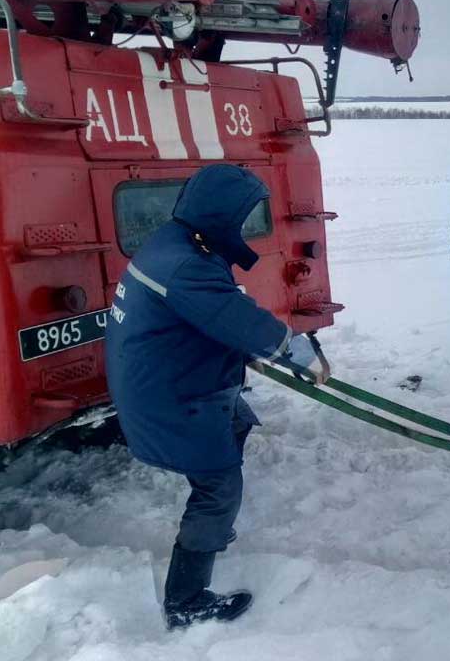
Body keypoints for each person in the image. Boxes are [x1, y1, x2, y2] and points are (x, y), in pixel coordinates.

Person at [104, 164, 329, 630]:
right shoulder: (186, 264)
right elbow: (237, 317)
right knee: (219, 487)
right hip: (172, 393)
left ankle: (212, 511)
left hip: (177, 375)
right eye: (241, 216)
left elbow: (207, 316)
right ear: (217, 214)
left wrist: (246, 350)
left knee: (238, 422)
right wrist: (296, 352)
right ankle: (185, 600)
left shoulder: (177, 242)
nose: (244, 226)